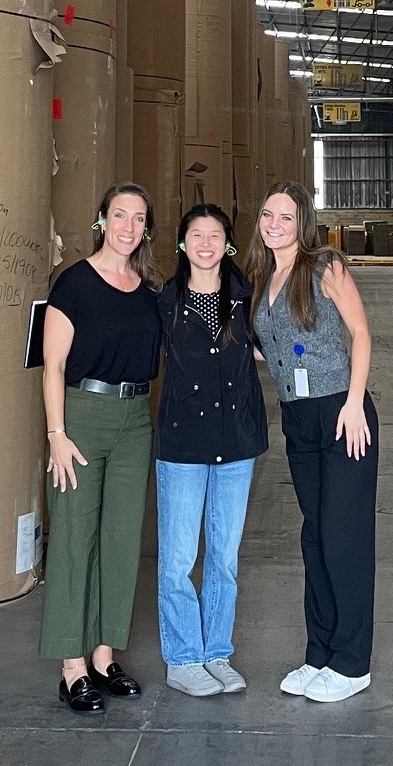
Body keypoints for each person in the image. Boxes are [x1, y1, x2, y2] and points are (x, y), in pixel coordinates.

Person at [244, 180, 379, 704]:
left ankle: (352, 663)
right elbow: (271, 346)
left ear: (302, 222)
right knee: (315, 538)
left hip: (341, 414)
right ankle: (319, 653)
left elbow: (361, 334)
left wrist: (352, 401)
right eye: (266, 215)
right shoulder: (264, 277)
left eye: (284, 216)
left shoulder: (326, 266)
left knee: (345, 540)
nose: (274, 224)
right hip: (298, 419)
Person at [40, 183, 163, 714]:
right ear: (101, 221)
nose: (128, 227)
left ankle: (105, 655)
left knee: (120, 539)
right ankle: (72, 667)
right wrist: (56, 434)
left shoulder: (149, 290)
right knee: (74, 537)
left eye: (138, 218)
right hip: (82, 418)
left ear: (146, 230)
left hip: (136, 419)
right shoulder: (74, 284)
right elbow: (53, 368)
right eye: (119, 215)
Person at [153, 204, 269, 696]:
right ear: (182, 244)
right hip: (183, 443)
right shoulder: (164, 302)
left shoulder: (247, 299)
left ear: (228, 243)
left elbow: (280, 344)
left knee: (223, 556)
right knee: (179, 556)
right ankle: (183, 659)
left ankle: (216, 652)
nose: (205, 243)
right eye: (195, 235)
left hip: (236, 440)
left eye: (215, 234)